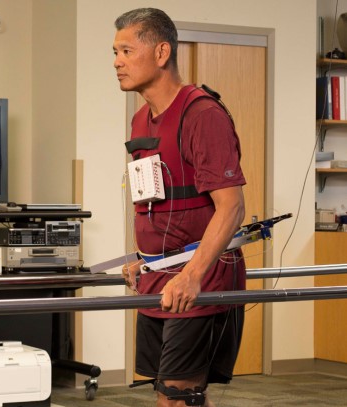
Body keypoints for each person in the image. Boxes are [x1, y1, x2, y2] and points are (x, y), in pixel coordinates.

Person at [114, 8, 247, 407]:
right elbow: (157, 200)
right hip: (158, 275)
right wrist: (146, 258)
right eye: (114, 52)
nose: (117, 62)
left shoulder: (202, 114)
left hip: (198, 279)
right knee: (180, 395)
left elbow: (231, 208)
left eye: (126, 50)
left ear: (160, 52)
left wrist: (191, 276)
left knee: (175, 398)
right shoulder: (141, 120)